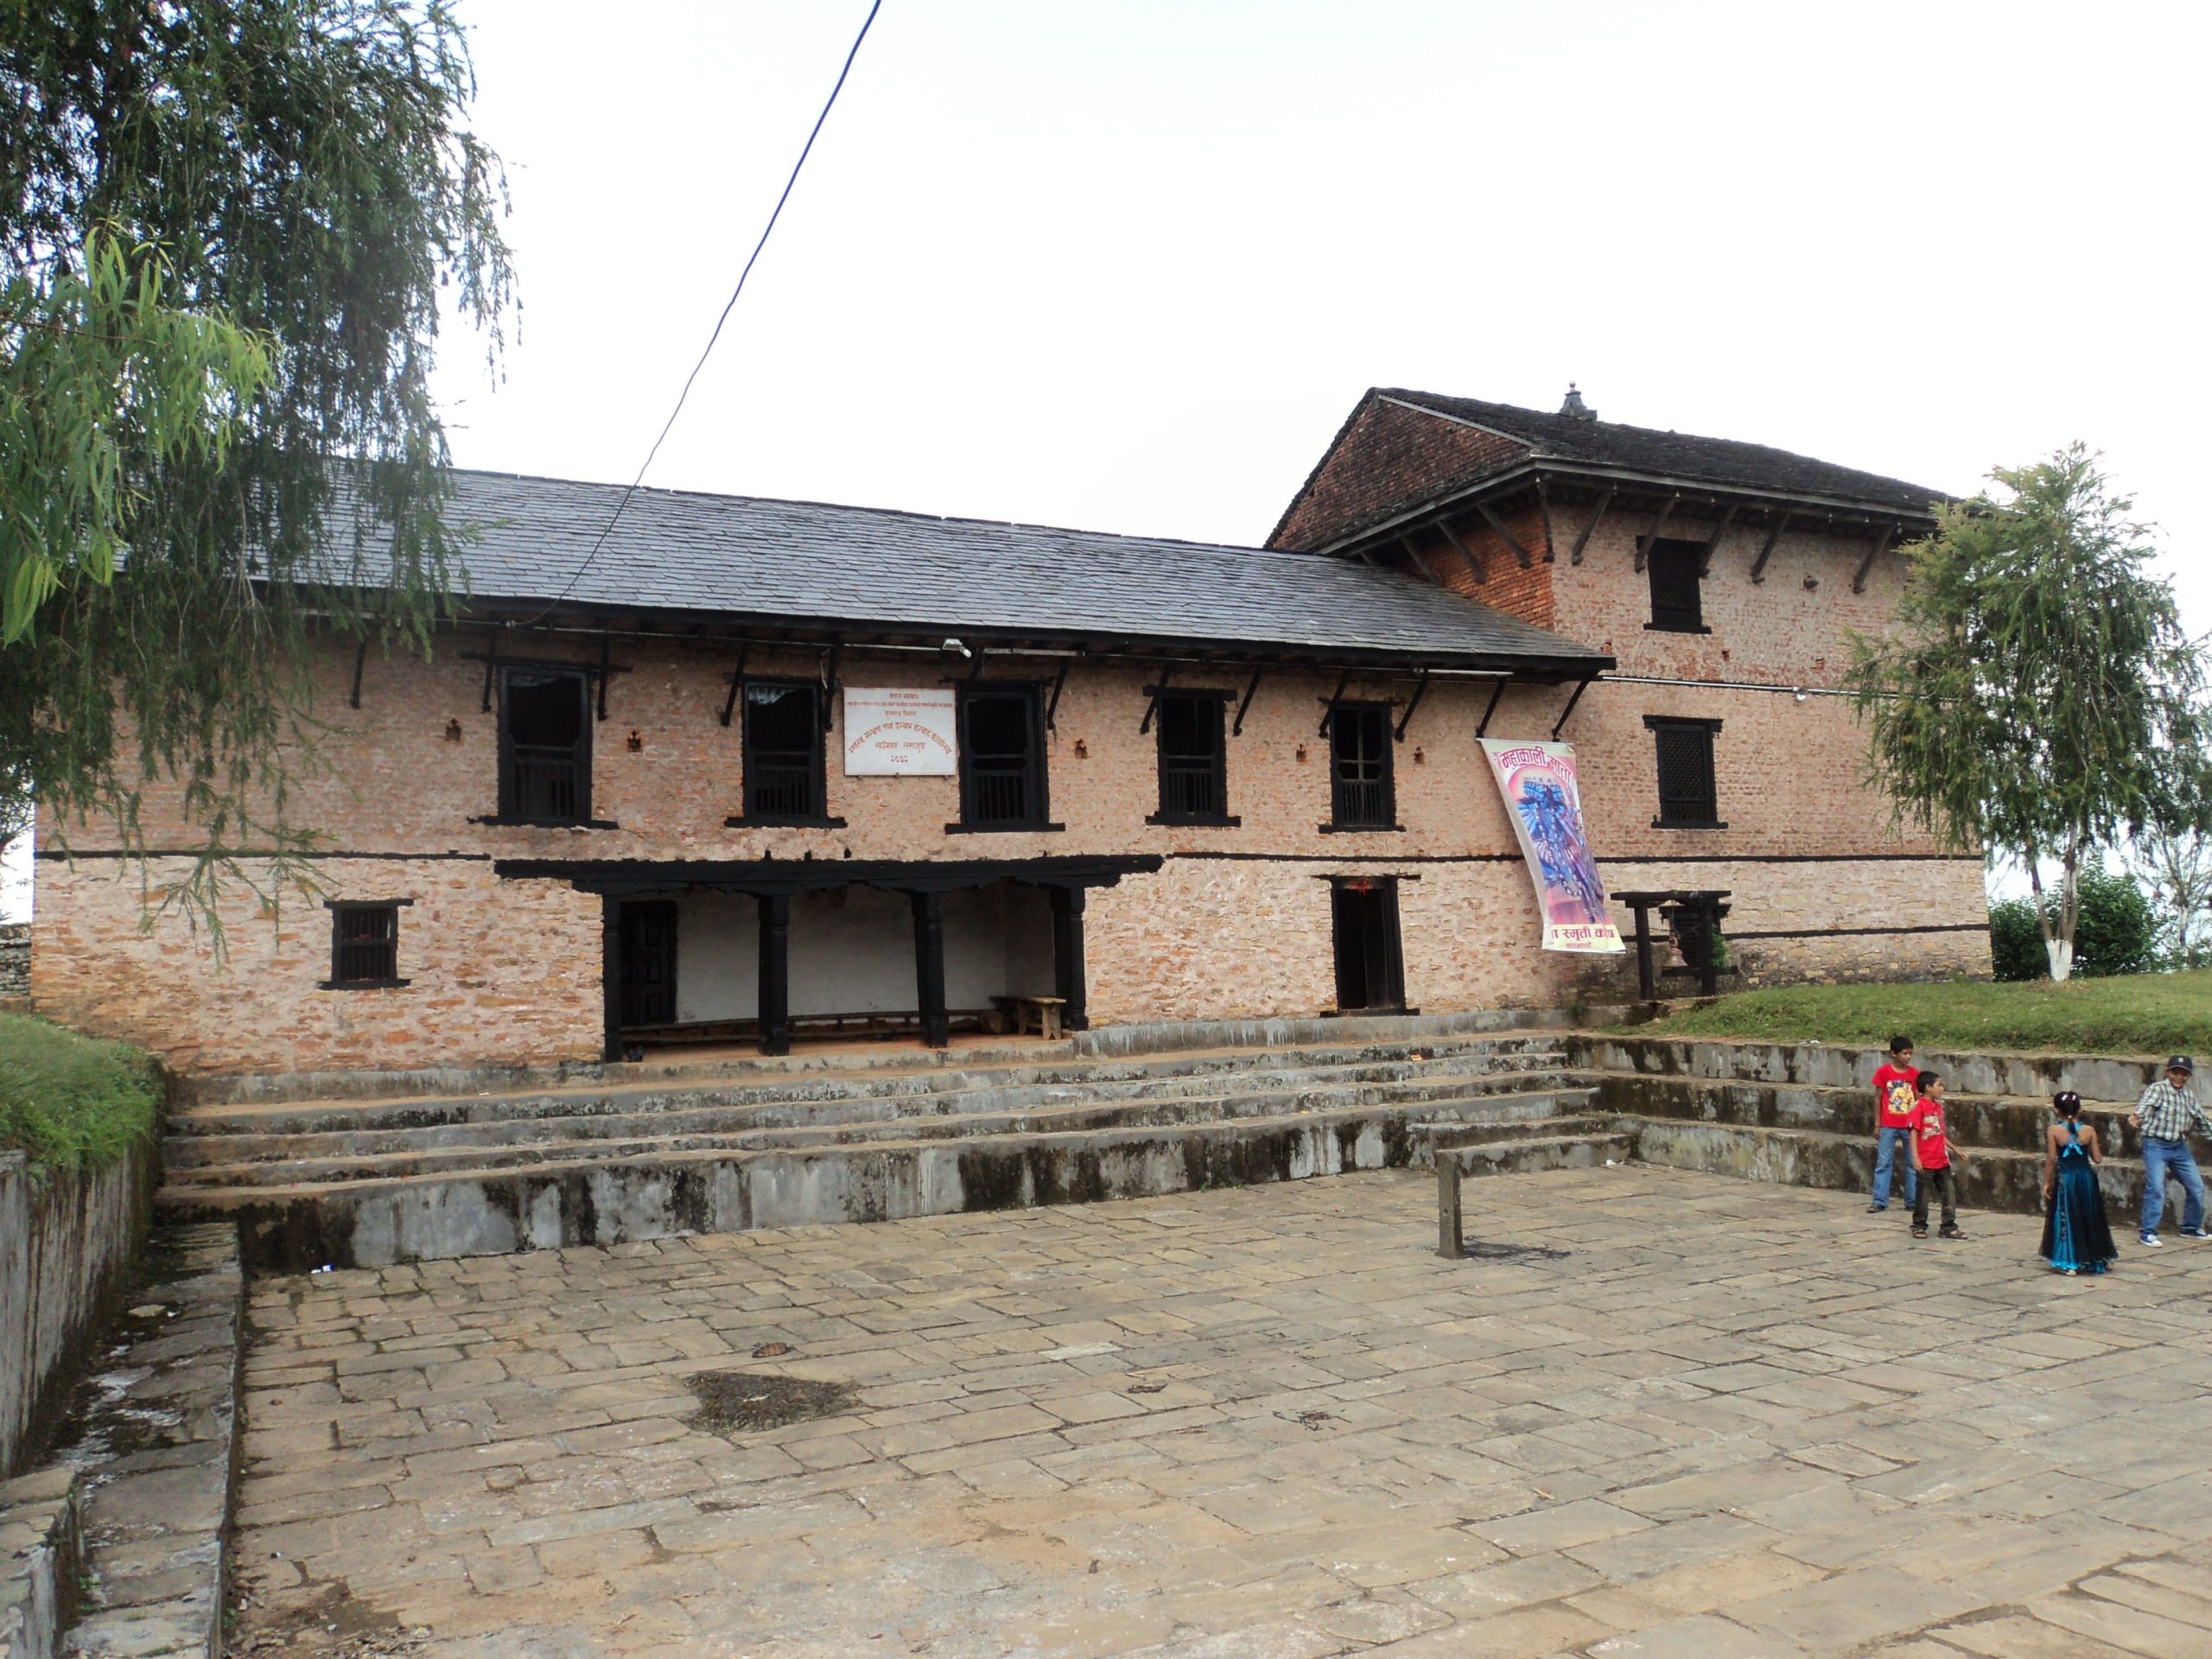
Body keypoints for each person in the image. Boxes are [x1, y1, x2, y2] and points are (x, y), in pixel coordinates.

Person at [2127, 1055, 2211, 1248]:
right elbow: (2146, 1106)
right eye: (2175, 1072)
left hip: (2178, 1146)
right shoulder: (2158, 1089)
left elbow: (2201, 1120)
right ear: (2168, 1072)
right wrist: (2137, 1117)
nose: (2179, 1077)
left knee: (2196, 1187)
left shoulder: (2188, 1096)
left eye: (2184, 1074)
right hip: (2156, 1145)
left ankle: (2190, 1227)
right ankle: (2148, 1232)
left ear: (2189, 1076)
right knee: (2156, 1188)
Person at [2038, 1091, 2117, 1274]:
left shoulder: (2054, 1131)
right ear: (2079, 1109)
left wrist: (2047, 1181)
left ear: (2056, 1110)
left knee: (2067, 1218)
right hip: (2086, 1179)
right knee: (2090, 1216)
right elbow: (2097, 1159)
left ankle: (2069, 1261)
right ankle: (2097, 1258)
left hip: (2067, 1179)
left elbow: (2051, 1159)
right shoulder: (2089, 1130)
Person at [1909, 1069, 1965, 1240]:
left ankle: (1948, 1226)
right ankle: (1919, 1225)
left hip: (1941, 1159)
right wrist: (1915, 1157)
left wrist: (1954, 1148)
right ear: (1928, 1087)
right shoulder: (1918, 1107)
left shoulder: (1937, 1108)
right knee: (1923, 1196)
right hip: (1926, 1161)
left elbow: (1939, 1133)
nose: (1942, 1089)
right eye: (1939, 1085)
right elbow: (1913, 1132)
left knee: (1949, 1193)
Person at [1868, 1034, 1920, 1213]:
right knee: (1883, 1163)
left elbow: (1917, 1099)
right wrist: (1878, 1124)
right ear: (1893, 1054)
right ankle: (1879, 1200)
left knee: (1913, 1164)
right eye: (1904, 1053)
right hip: (1888, 1125)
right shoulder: (1884, 1072)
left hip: (1909, 1126)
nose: (1908, 1057)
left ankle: (1912, 1201)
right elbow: (1877, 1098)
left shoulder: (1914, 1074)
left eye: (1910, 1054)